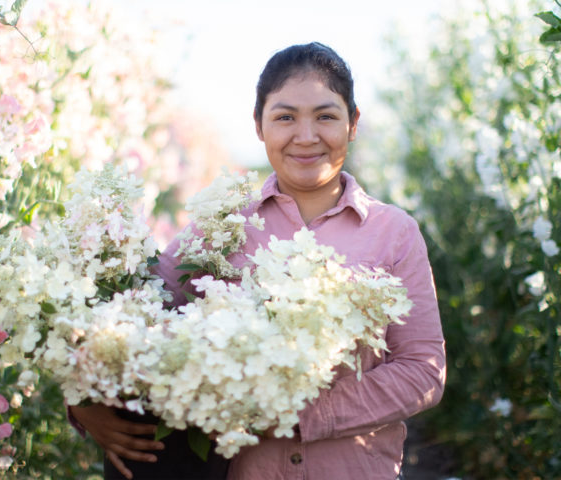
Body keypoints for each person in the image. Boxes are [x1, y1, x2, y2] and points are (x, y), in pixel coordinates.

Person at [70, 42, 446, 480]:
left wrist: (297, 415)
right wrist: (84, 400)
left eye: (326, 116)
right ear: (259, 125)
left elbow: (423, 372)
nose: (306, 136)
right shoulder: (222, 224)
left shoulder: (394, 232)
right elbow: (134, 311)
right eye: (285, 117)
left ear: (353, 123)